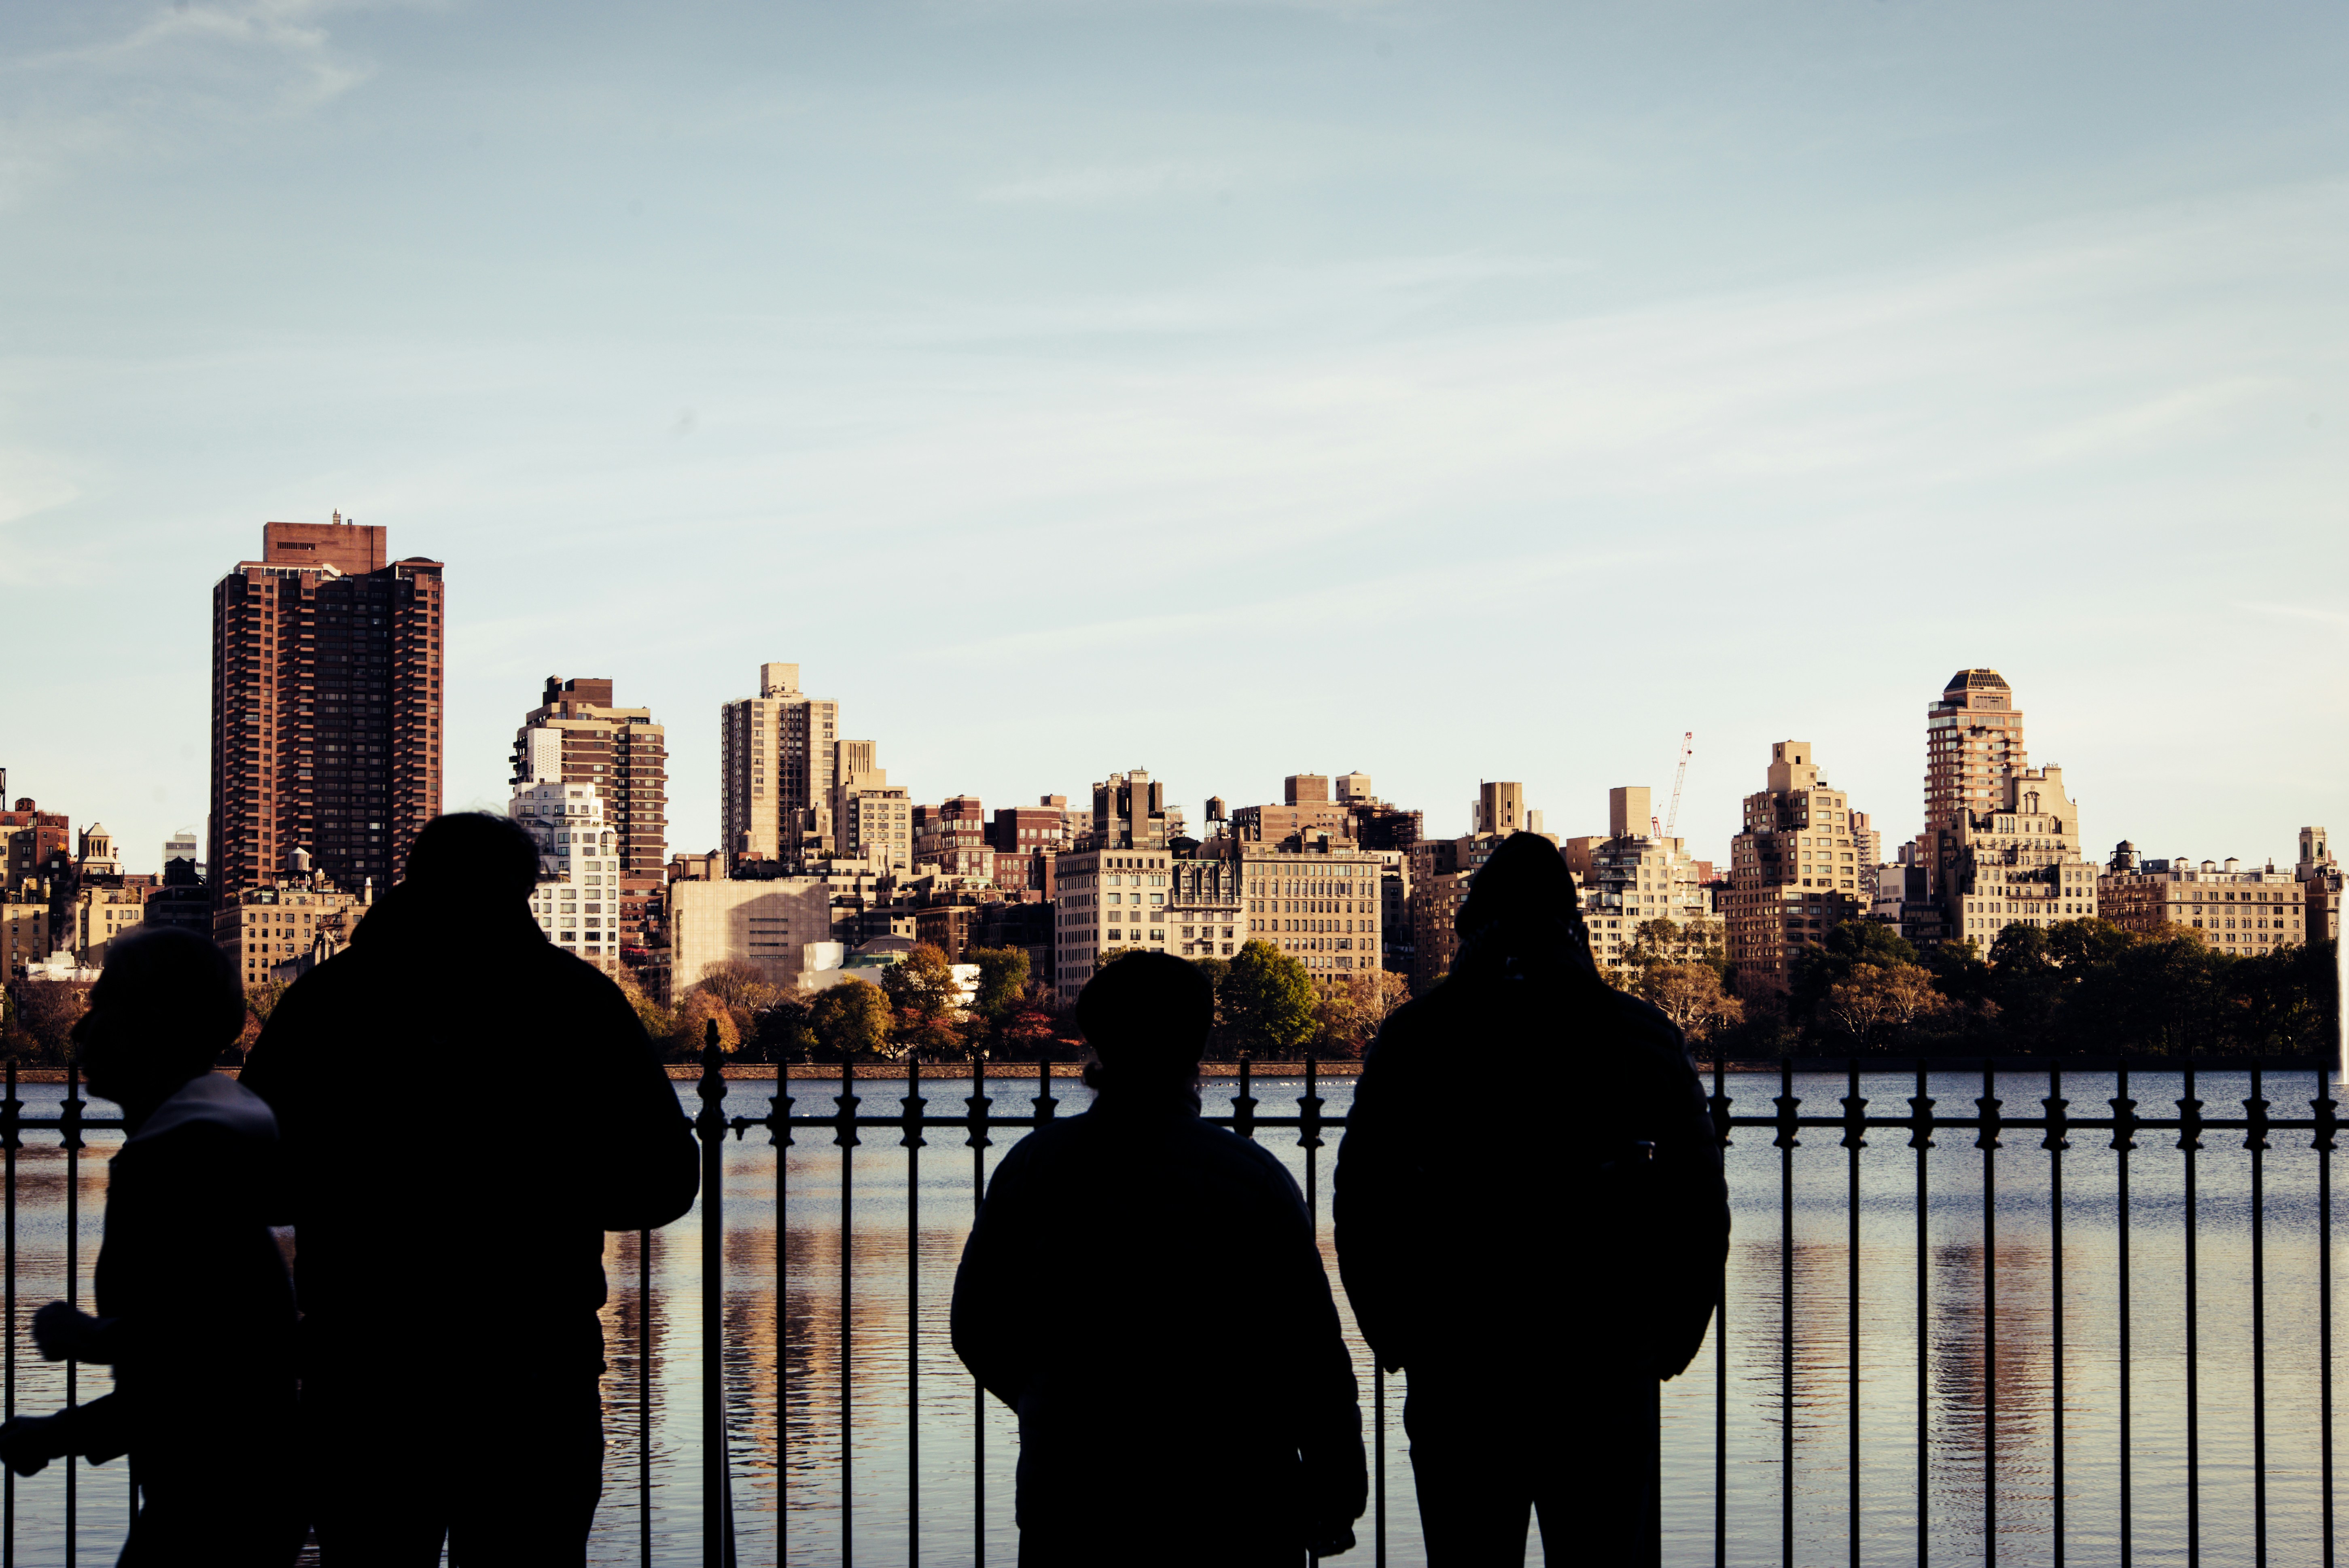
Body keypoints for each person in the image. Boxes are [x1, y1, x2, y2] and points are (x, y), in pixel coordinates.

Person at [242, 812, 700, 1566]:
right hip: (532, 1358)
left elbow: (259, 1183)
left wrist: (360, 1180)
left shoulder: (329, 1001)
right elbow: (663, 1183)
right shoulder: (574, 1002)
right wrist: (549, 1187)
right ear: (521, 891)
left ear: (414, 879)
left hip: (365, 1362)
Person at [1334, 830, 1728, 1566]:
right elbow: (1698, 1206)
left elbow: (1363, 1199)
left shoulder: (1420, 1035)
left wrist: (1399, 1334)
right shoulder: (1637, 1033)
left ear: (1469, 927)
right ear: (1573, 925)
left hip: (1461, 1356)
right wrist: (1667, 1340)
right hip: (1605, 1354)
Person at [952, 951, 1365, 1567]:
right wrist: (1337, 1484)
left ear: (1098, 1042)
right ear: (1195, 1044)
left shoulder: (1035, 1168)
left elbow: (978, 1326)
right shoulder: (1251, 1177)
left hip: (1075, 1485)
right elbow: (1309, 1350)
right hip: (1233, 1484)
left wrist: (1052, 1399)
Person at [0, 927, 304, 1565]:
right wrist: (60, 1433)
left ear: (154, 1023)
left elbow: (212, 1352)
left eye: (103, 1006)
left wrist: (87, 1339)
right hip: (239, 1489)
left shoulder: (177, 1156)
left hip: (213, 1505)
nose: (82, 1032)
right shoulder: (222, 1128)